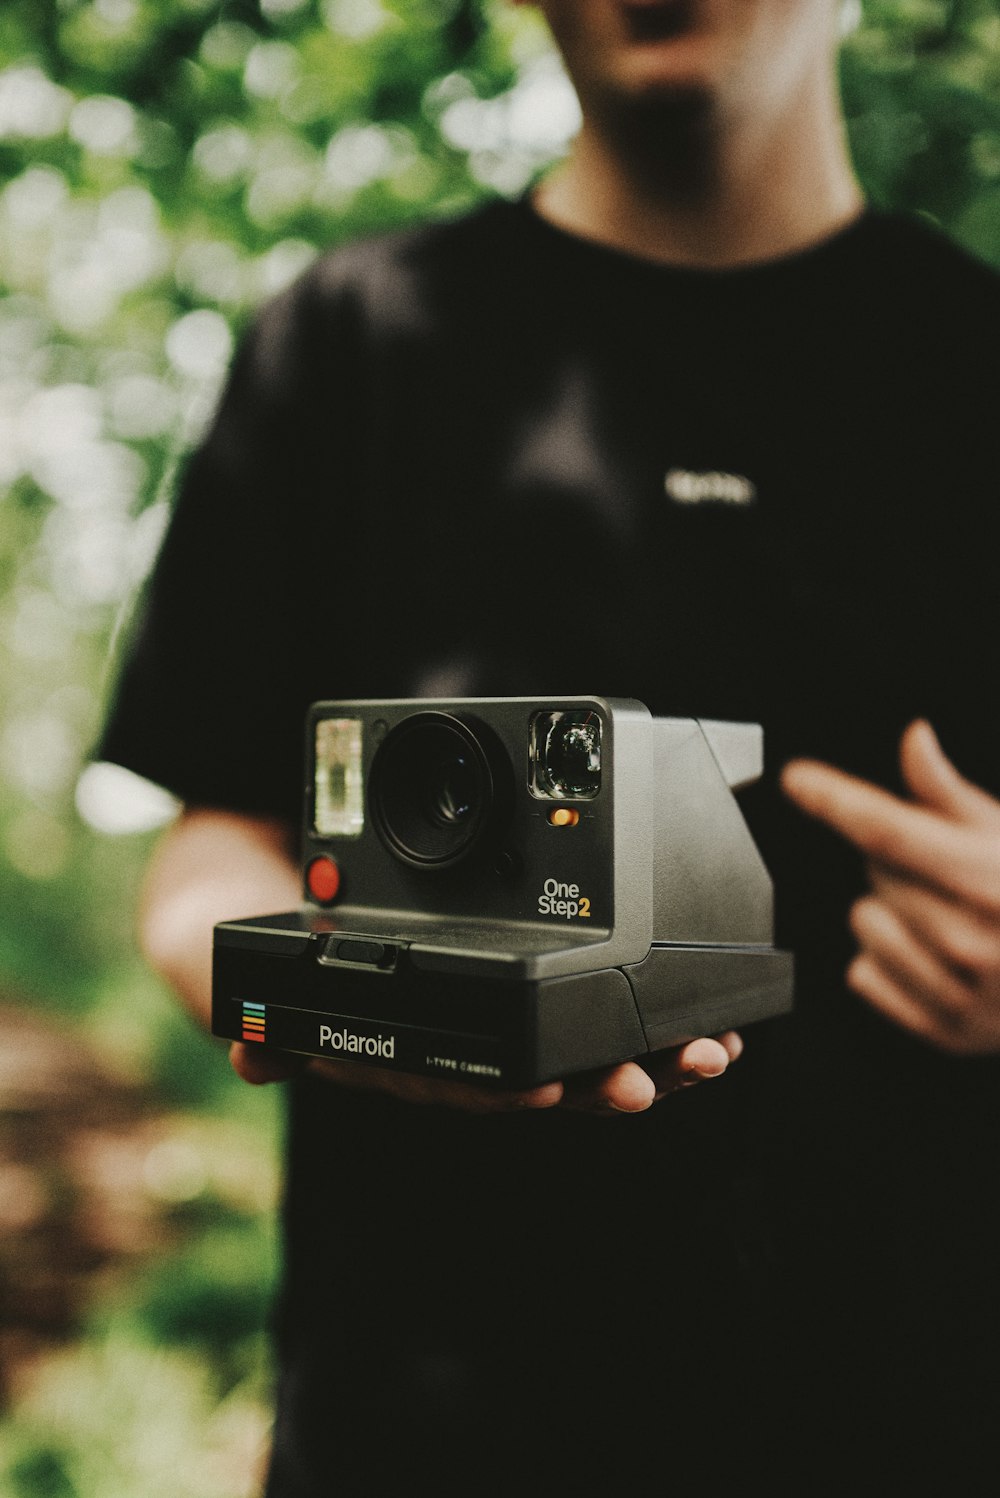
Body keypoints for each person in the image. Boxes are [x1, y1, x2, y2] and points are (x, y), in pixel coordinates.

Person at [97, 0, 1000, 1489]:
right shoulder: (350, 341)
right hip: (425, 1417)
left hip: (907, 1403)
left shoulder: (971, 368)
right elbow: (211, 854)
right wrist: (354, 997)